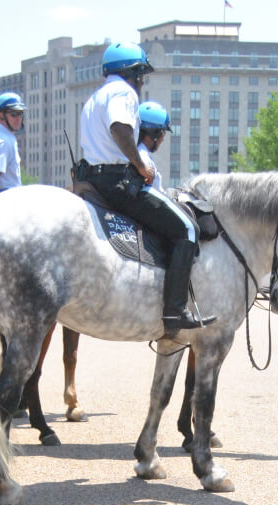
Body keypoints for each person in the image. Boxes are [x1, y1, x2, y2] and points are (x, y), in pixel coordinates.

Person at [78, 43, 214, 338]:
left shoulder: (93, 98)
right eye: (141, 76)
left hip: (91, 180)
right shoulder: (122, 93)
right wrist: (140, 164)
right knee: (187, 230)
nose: (141, 83)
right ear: (132, 73)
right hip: (118, 182)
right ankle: (174, 310)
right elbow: (120, 129)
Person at [136, 101, 171, 191]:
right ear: (154, 133)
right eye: (163, 133)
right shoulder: (142, 156)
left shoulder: (139, 153)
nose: (163, 139)